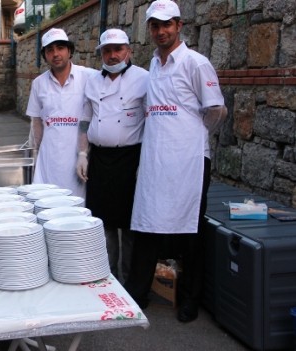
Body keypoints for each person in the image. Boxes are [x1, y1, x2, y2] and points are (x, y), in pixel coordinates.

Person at [124, 0, 228, 323]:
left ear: (179, 25)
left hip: (190, 162)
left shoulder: (196, 64)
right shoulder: (153, 64)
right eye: (155, 25)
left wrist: (192, 138)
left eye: (166, 24)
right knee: (147, 223)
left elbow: (217, 110)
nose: (160, 31)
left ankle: (190, 299)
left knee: (191, 230)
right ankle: (136, 292)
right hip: (157, 161)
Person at [76, 28, 148, 284]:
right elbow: (85, 120)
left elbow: (152, 122)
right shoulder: (93, 81)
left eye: (118, 50)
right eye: (107, 51)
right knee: (102, 223)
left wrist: (147, 163)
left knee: (130, 225)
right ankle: (108, 278)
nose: (113, 55)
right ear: (101, 54)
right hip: (100, 160)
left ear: (128, 51)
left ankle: (130, 281)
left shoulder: (145, 79)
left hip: (131, 159)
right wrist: (83, 154)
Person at [26, 28, 98, 197]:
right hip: (49, 159)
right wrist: (35, 152)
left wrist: (83, 154)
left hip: (78, 159)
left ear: (69, 50)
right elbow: (36, 121)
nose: (55, 54)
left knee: (77, 209)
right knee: (48, 205)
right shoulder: (39, 84)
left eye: (60, 48)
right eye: (50, 50)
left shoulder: (90, 77)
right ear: (45, 56)